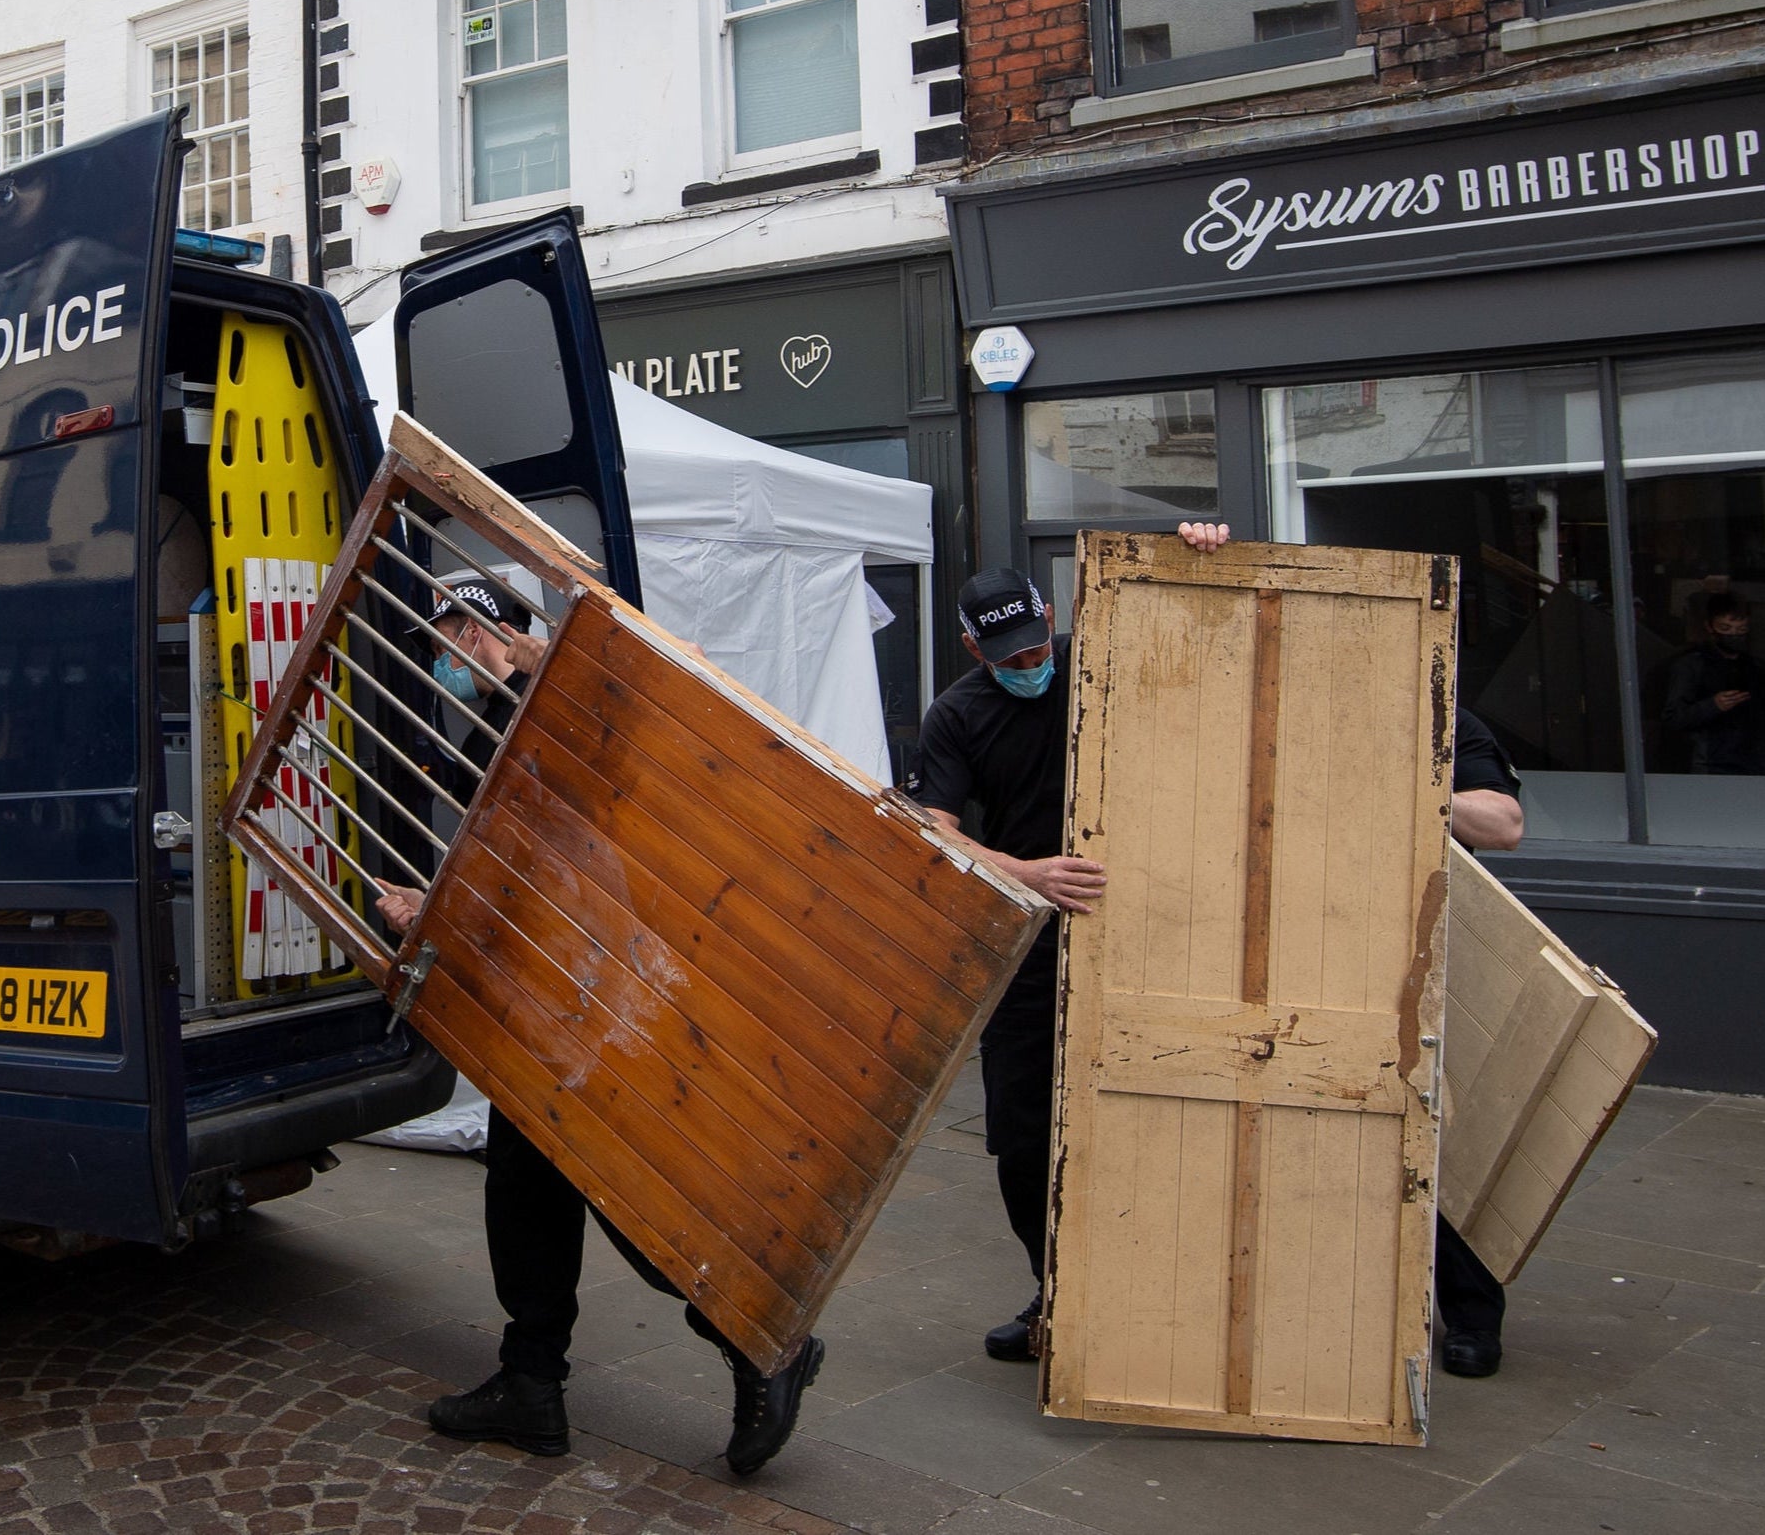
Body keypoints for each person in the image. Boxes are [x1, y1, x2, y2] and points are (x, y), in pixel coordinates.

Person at [374, 573, 824, 1478]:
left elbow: (589, 815)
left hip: (601, 986)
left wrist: (439, 900)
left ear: (498, 630)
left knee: (619, 1180)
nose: (445, 654)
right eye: (439, 638)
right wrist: (438, 901)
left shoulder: (569, 703)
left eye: (458, 631)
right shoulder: (483, 735)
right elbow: (497, 859)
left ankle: (751, 1332)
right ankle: (531, 1380)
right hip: (544, 994)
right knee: (527, 1178)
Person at [907, 542, 1214, 1364]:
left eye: (1039, 646)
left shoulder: (1105, 659)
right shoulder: (958, 713)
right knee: (1020, 1133)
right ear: (975, 649)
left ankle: (1166, 1293)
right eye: (1010, 657)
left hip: (1148, 922)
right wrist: (1026, 872)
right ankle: (1057, 1290)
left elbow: (1213, 633)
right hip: (1030, 939)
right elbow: (932, 832)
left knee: (1159, 1109)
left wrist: (1196, 553)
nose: (1030, 664)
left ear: (1053, 617)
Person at [1436, 702, 1527, 1378]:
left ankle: (1470, 1310)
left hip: (1421, 946)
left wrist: (1409, 781)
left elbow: (1502, 825)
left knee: (1428, 1131)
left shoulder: (1443, 714)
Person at [1660, 590, 1765, 774]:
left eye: (1741, 630)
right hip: (1711, 765)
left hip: (1754, 765)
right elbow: (1673, 719)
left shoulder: (1758, 669)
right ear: (1710, 627)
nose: (1734, 635)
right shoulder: (1691, 666)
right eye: (1726, 628)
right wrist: (1712, 705)